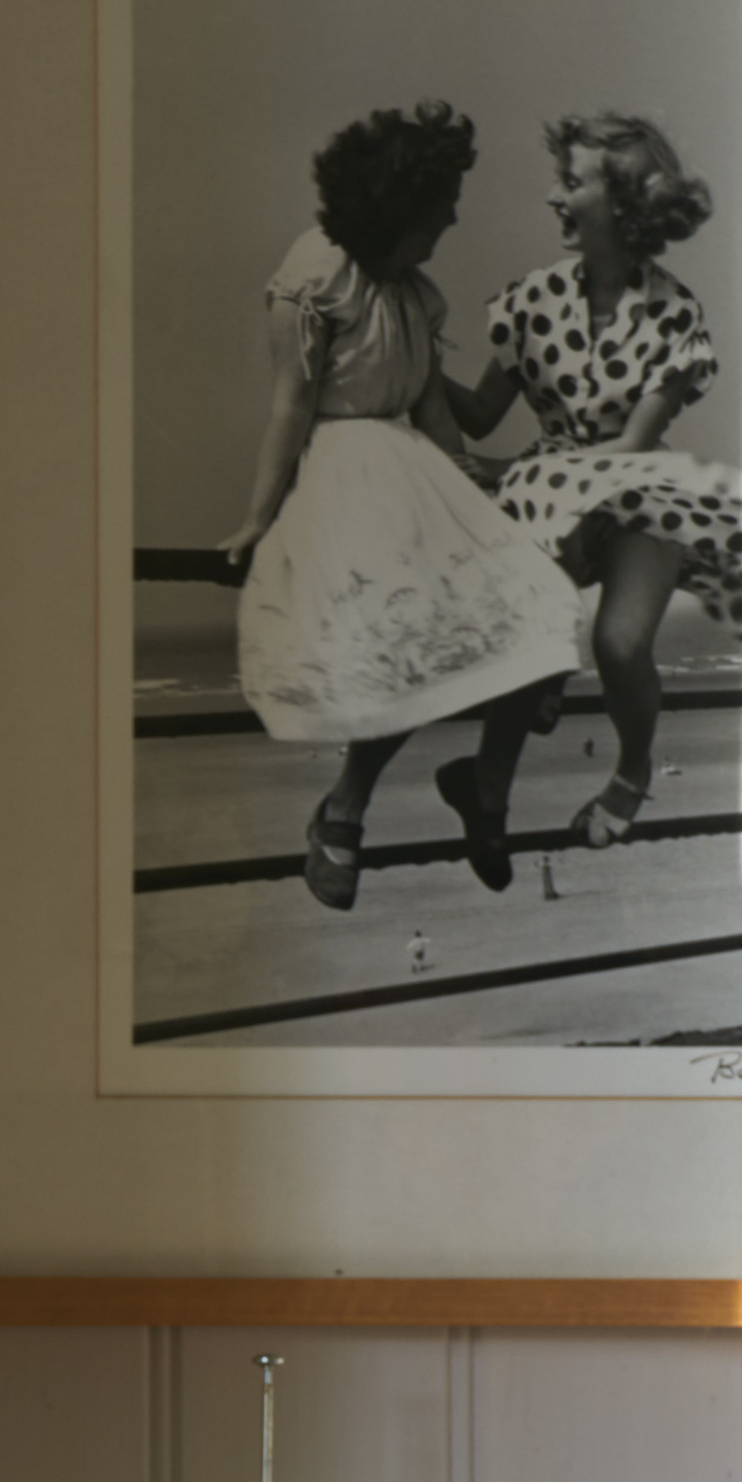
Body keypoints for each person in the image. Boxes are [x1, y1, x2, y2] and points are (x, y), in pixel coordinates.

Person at [221, 101, 584, 908]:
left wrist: (477, 477)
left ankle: (484, 790)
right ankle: (344, 809)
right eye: (441, 204)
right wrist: (256, 517)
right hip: (347, 475)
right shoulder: (317, 273)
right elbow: (290, 404)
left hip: (417, 472)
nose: (453, 216)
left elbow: (431, 413)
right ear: (398, 207)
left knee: (539, 607)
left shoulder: (417, 298)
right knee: (410, 631)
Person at [441, 107, 742, 856]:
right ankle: (490, 792)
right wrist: (405, 356)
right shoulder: (531, 302)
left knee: (623, 643)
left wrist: (510, 474)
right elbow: (475, 414)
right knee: (535, 608)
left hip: (638, 497)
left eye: (571, 182)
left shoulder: (673, 314)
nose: (554, 196)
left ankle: (629, 773)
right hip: (554, 494)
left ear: (624, 204)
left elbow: (629, 453)